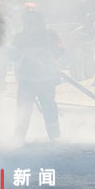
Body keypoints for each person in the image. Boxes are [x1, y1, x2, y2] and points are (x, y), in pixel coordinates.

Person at [10, 9, 62, 141]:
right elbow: (60, 52)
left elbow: (59, 52)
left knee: (30, 110)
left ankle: (20, 140)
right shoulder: (48, 35)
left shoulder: (23, 36)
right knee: (29, 110)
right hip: (37, 80)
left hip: (38, 80)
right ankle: (53, 138)